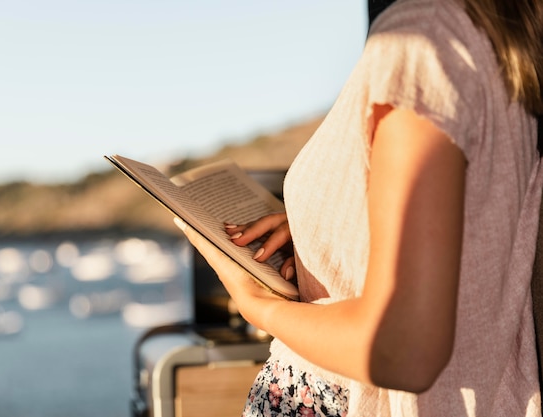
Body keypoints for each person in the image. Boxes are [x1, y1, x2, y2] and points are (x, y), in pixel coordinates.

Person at [174, 0, 543, 415]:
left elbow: (403, 347)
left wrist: (259, 305)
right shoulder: (499, 40)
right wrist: (329, 226)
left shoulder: (421, 39)